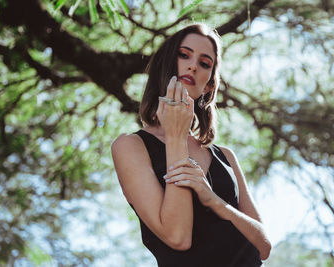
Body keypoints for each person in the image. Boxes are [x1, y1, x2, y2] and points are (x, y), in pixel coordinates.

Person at [111, 23, 271, 267]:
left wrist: (215, 201)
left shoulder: (225, 156)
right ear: (166, 64)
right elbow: (178, 237)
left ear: (208, 85)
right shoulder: (131, 146)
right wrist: (175, 138)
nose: (193, 65)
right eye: (184, 55)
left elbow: (264, 246)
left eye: (204, 63)